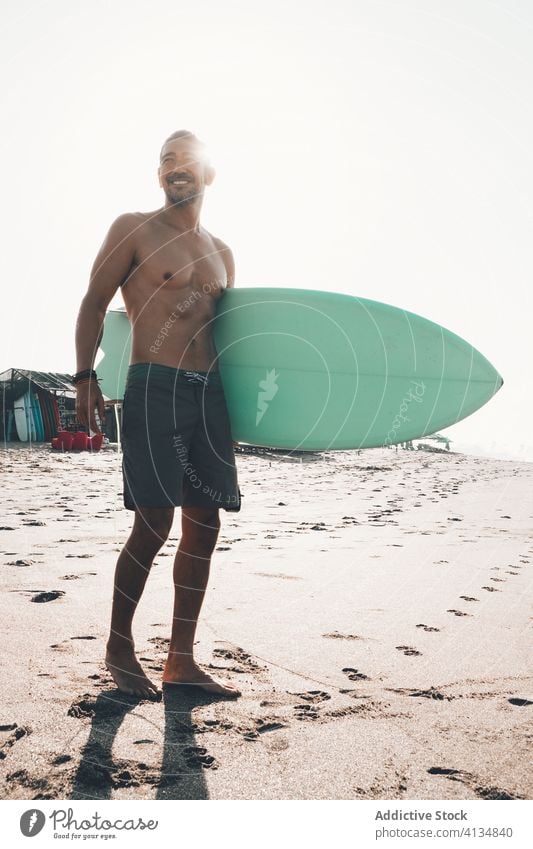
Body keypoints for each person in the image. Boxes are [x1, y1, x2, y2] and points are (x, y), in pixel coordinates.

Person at [74, 131, 242, 700]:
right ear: (158, 174)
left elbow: (231, 335)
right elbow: (95, 302)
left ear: (208, 173)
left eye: (187, 158)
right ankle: (119, 648)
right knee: (153, 523)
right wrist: (84, 377)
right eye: (166, 159)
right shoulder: (134, 228)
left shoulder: (222, 252)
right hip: (154, 386)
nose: (176, 166)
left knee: (205, 525)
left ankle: (180, 660)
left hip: (208, 393)